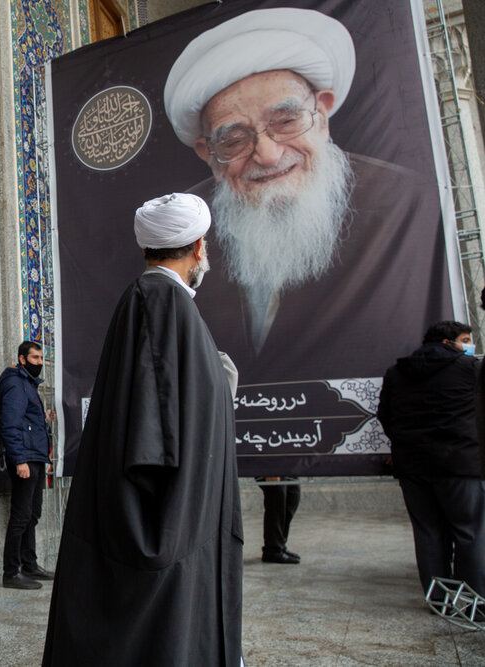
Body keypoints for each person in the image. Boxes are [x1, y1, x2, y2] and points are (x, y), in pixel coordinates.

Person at [162, 7, 450, 385]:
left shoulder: (409, 203)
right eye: (234, 140)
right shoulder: (183, 230)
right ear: (208, 154)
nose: (267, 154)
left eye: (285, 121)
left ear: (324, 113)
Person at [43, 194, 242, 665]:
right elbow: (155, 433)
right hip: (167, 523)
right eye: (205, 245)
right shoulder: (160, 304)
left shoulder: (159, 303)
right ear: (198, 247)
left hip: (180, 521)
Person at [377, 321, 485, 599]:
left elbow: (386, 417)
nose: (468, 345)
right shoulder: (469, 369)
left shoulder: (396, 373)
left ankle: (439, 599)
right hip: (460, 465)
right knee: (469, 532)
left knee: (427, 533)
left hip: (412, 466)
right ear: (448, 342)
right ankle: (474, 599)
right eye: (464, 339)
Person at [0, 341, 54, 590]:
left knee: (33, 513)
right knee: (21, 516)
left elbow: (28, 422)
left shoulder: (28, 384)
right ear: (22, 359)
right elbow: (10, 424)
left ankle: (29, 564)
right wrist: (20, 460)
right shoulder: (15, 383)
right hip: (25, 459)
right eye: (35, 358)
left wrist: (44, 419)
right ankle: (11, 572)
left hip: (36, 457)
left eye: (41, 358)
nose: (39, 362)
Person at [256, 476, 301, 564]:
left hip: (283, 464)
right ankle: (272, 550)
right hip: (268, 465)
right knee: (276, 496)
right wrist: (269, 472)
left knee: (293, 494)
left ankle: (279, 545)